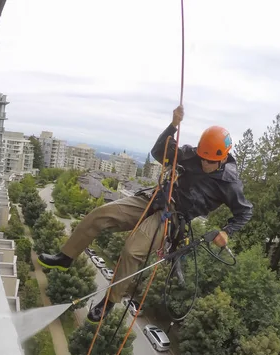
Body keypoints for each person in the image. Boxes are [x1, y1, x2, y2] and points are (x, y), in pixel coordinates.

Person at [37, 106, 253, 323]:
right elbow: (159, 153)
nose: (204, 163)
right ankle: (65, 257)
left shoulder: (230, 183)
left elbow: (244, 212)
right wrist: (173, 126)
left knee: (132, 249)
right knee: (99, 215)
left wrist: (227, 231)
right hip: (155, 198)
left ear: (223, 158)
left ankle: (110, 300)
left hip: (174, 217)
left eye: (209, 161)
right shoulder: (192, 155)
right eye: (203, 158)